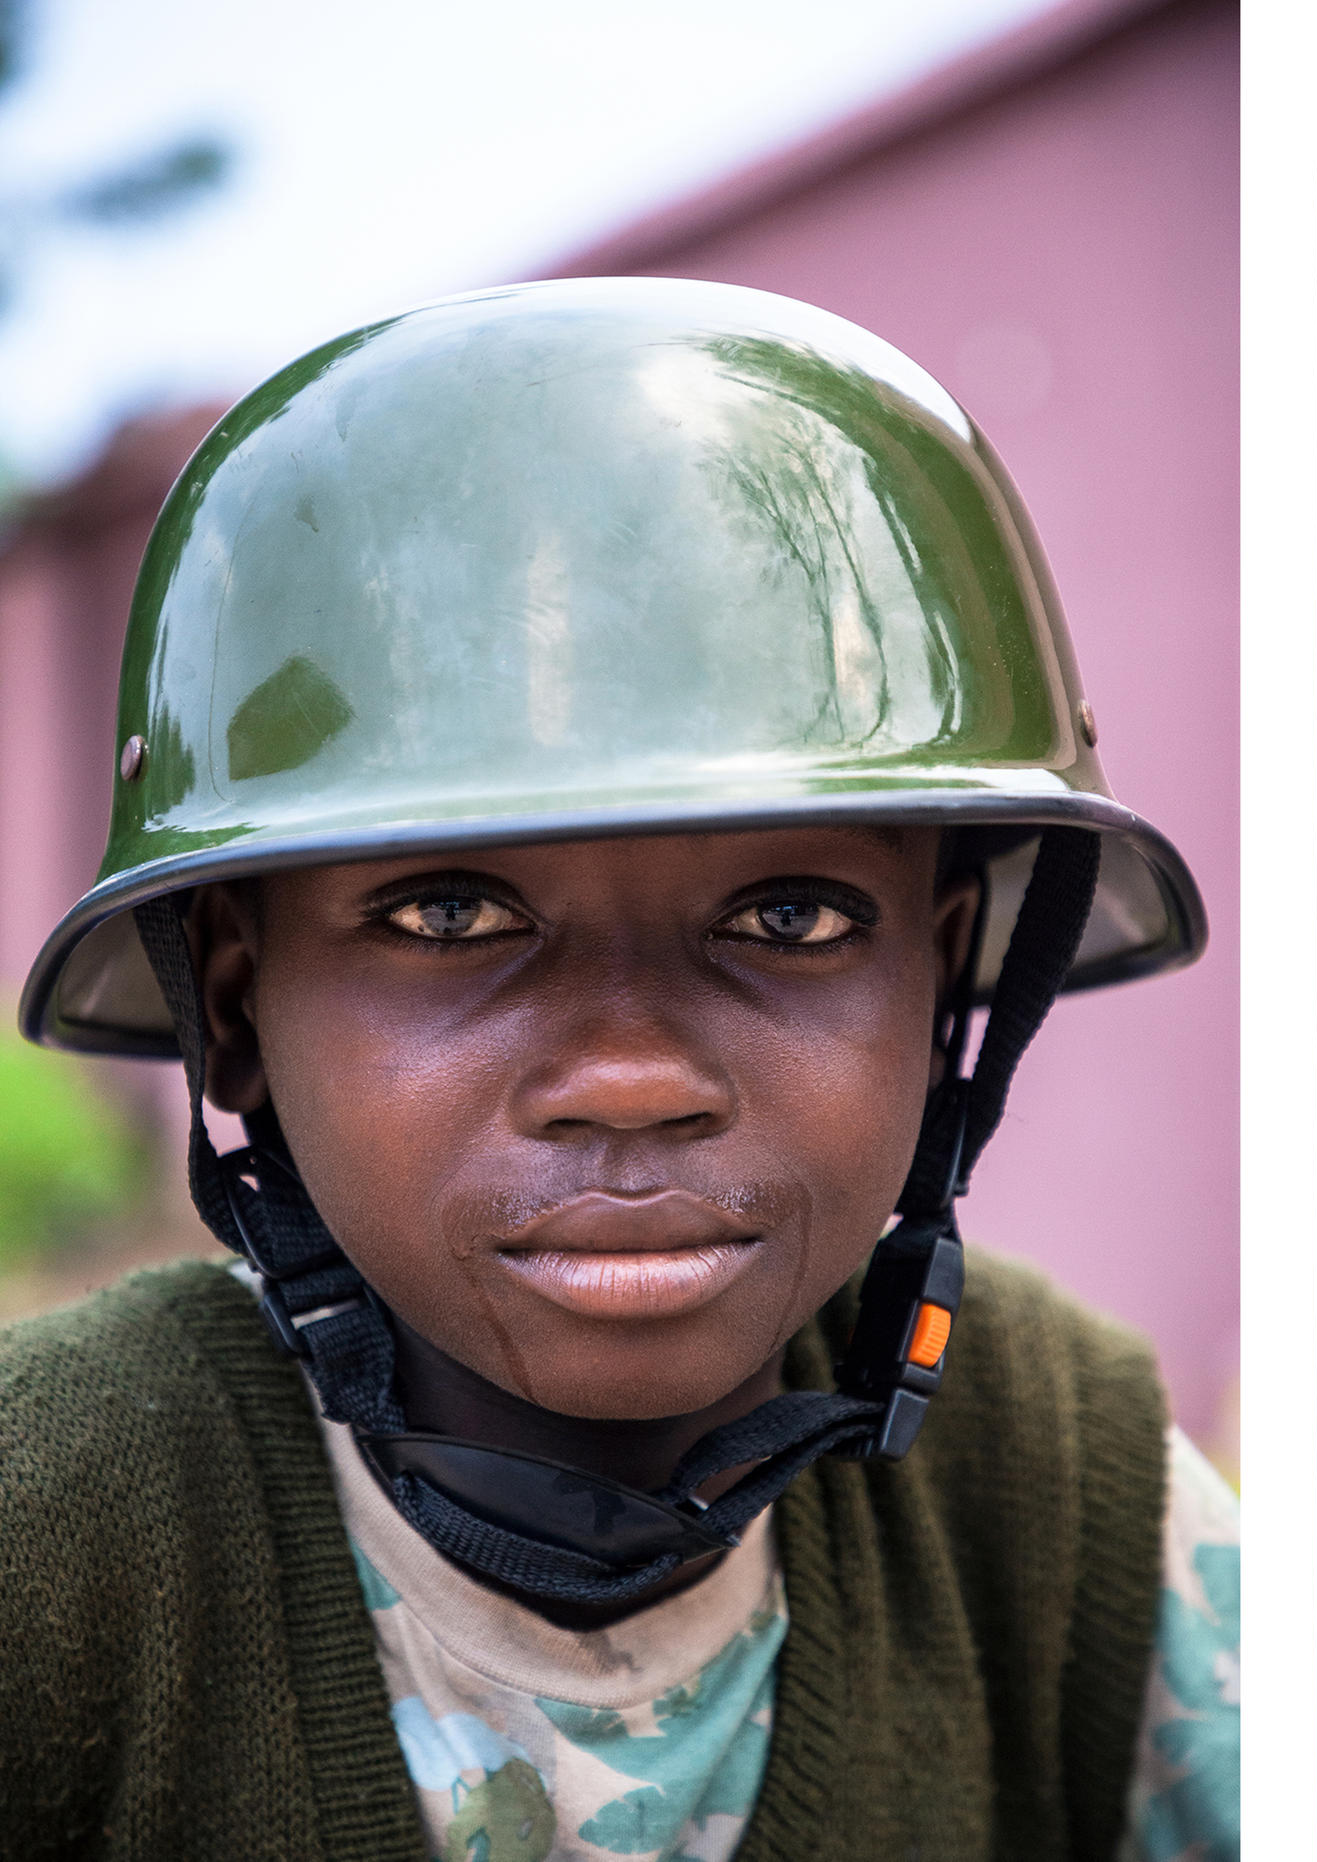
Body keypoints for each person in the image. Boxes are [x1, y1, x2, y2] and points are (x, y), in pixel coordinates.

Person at [4, 278, 1238, 1862]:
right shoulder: (55, 1526)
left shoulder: (1059, 1483)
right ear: (235, 1005)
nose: (634, 1074)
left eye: (790, 915)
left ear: (941, 985)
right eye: (451, 912)